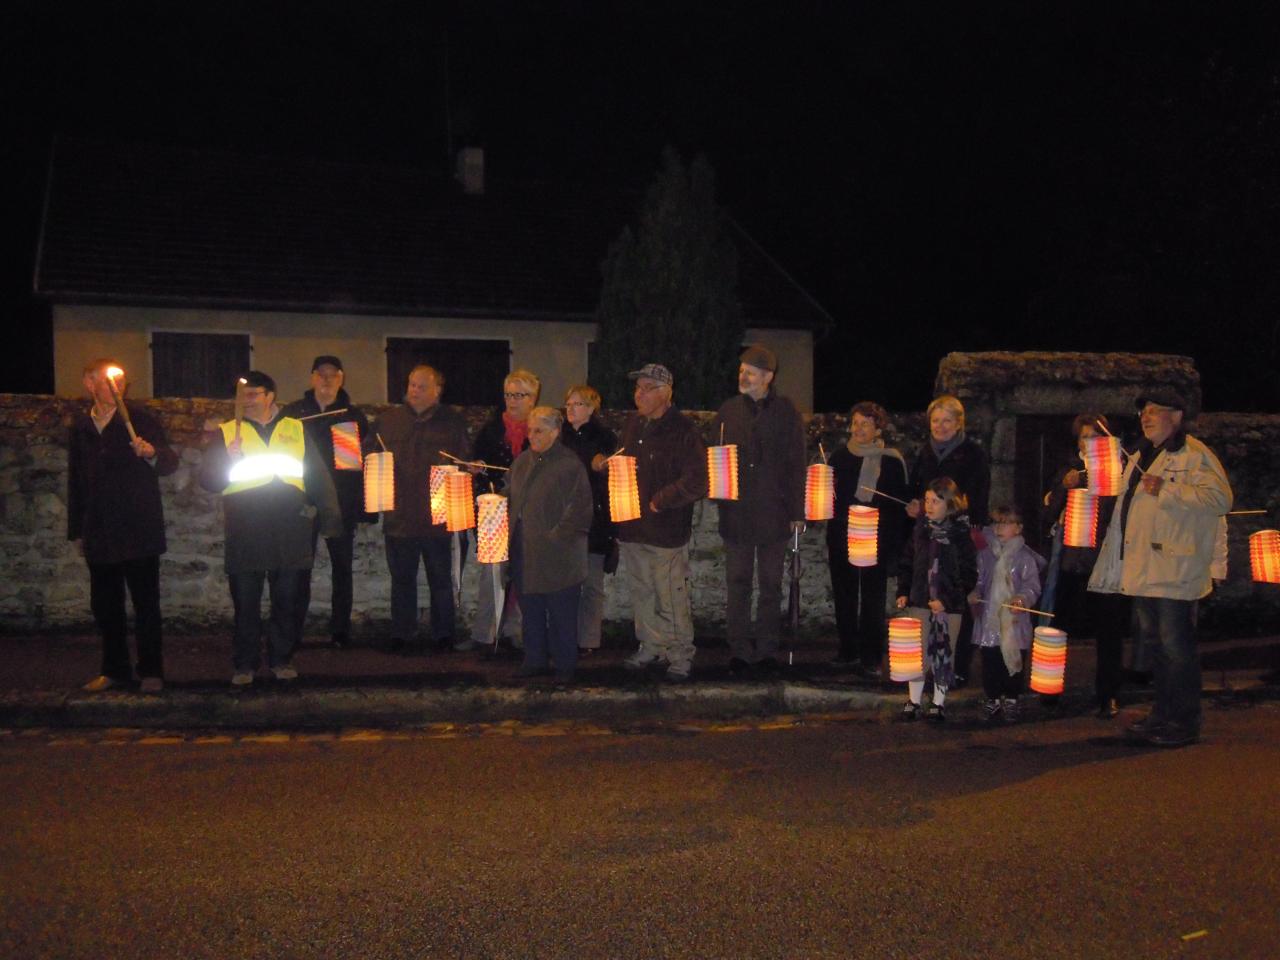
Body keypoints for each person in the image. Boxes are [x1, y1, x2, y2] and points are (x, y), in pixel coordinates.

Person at [1089, 391, 1232, 747]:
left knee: (1175, 646)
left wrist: (1167, 489)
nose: (1146, 417)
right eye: (1143, 412)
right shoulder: (1141, 453)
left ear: (1177, 416)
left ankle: (1183, 722)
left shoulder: (1195, 455)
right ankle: (1163, 715)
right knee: (1156, 647)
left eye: (1155, 411)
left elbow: (1220, 500)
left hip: (1174, 567)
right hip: (1144, 568)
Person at [198, 371, 341, 686]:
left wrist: (330, 515)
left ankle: (281, 659)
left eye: (254, 394)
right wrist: (226, 458)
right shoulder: (228, 432)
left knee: (287, 598)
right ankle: (244, 664)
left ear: (270, 396)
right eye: (243, 396)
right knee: (246, 600)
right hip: (246, 525)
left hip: (289, 524)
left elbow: (317, 475)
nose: (247, 402)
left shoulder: (296, 429)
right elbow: (208, 480)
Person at [68, 359, 179, 693]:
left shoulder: (141, 419)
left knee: (146, 604)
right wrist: (77, 529)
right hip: (99, 530)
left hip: (138, 527)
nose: (118, 387)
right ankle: (114, 669)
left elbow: (169, 463)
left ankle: (151, 671)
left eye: (121, 381)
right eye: (109, 381)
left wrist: (151, 453)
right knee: (106, 606)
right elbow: (76, 480)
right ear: (89, 383)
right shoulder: (81, 427)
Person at [710, 344, 805, 676]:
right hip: (737, 514)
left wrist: (797, 511)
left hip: (774, 514)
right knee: (737, 583)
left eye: (749, 371)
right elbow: (715, 458)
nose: (743, 376)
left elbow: (796, 464)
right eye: (741, 370)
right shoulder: (728, 411)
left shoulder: (786, 412)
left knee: (770, 585)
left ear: (767, 377)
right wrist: (719, 495)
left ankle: (766, 649)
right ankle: (738, 648)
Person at [370, 365, 472, 654]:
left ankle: (443, 634)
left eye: (421, 386)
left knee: (441, 580)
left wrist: (469, 467)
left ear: (437, 390)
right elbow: (369, 455)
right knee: (401, 580)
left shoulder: (452, 423)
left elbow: (464, 460)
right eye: (412, 384)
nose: (414, 390)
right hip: (400, 516)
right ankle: (402, 632)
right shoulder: (388, 421)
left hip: (437, 518)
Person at [617, 363, 707, 682]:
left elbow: (698, 480)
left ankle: (680, 653)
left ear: (665, 393)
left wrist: (662, 499)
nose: (637, 394)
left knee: (670, 594)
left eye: (645, 388)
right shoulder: (634, 425)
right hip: (633, 526)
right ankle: (651, 645)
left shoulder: (684, 430)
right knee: (642, 592)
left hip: (666, 530)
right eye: (637, 388)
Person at [1041, 413, 1130, 718]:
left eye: (1094, 436)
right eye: (1083, 436)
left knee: (1108, 629)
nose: (1087, 442)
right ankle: (1048, 687)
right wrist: (1066, 488)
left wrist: (1089, 480)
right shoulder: (1068, 469)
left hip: (1104, 561)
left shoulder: (1120, 470)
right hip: (1071, 560)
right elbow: (1049, 513)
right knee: (1059, 627)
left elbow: (1115, 500)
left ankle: (1108, 695)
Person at [282, 355, 374, 649]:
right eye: (321, 374)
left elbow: (358, 466)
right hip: (301, 502)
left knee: (342, 568)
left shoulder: (351, 415)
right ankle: (292, 630)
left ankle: (340, 631)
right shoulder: (293, 413)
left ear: (341, 378)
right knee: (299, 568)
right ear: (312, 378)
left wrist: (360, 508)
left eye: (332, 375)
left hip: (341, 502)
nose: (326, 380)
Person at [906, 394, 990, 687]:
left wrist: (960, 525)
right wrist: (914, 505)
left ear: (959, 423)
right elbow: (914, 488)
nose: (940, 426)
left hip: (957, 536)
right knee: (929, 598)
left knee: (957, 600)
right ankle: (928, 665)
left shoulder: (973, 454)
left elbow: (978, 498)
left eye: (947, 420)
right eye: (935, 420)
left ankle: (957, 665)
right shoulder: (925, 453)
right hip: (928, 536)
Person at [507, 407, 594, 683]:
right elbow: (510, 495)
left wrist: (555, 538)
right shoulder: (522, 462)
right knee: (531, 608)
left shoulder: (570, 465)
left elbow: (580, 510)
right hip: (525, 548)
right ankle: (535, 659)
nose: (531, 435)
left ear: (555, 432)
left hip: (559, 554)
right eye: (530, 430)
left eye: (539, 431)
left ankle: (565, 665)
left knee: (561, 612)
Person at [826, 401, 909, 676]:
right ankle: (847, 649)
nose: (859, 428)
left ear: (877, 428)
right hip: (842, 535)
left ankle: (871, 655)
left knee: (872, 597)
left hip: (876, 536)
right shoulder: (838, 457)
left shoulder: (890, 460)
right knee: (844, 593)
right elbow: (829, 497)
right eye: (856, 422)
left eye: (866, 423)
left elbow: (898, 504)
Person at [468, 368, 540, 650]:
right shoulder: (491, 430)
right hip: (495, 513)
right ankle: (486, 634)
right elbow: (480, 465)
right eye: (509, 395)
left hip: (530, 513)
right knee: (492, 574)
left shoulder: (542, 430)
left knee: (526, 573)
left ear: (533, 398)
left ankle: (518, 630)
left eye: (519, 395)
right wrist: (477, 468)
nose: (512, 401)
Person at [896, 477, 978, 722]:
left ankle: (938, 701)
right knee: (917, 652)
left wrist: (946, 598)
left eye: (936, 501)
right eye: (927, 500)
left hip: (948, 607)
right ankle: (913, 699)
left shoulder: (961, 536)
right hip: (920, 600)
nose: (929, 506)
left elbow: (967, 575)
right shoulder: (920, 531)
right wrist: (903, 590)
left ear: (950, 504)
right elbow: (908, 562)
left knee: (944, 651)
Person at [559, 384, 618, 656]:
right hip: (564, 515)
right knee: (565, 582)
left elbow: (613, 471)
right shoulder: (559, 434)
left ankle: (590, 640)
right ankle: (564, 635)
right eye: (569, 404)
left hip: (595, 516)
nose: (571, 408)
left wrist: (601, 466)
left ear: (592, 408)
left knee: (592, 583)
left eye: (578, 404)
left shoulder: (604, 436)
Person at [970, 505, 1044, 721]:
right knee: (991, 660)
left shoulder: (1024, 558)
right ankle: (992, 697)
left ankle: (1011, 698)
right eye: (997, 522)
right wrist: (975, 592)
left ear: (1018, 528)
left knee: (1014, 659)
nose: (1000, 527)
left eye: (1006, 522)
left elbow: (1032, 585)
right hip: (991, 619)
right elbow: (981, 580)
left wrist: (1021, 598)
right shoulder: (986, 555)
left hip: (1014, 620)